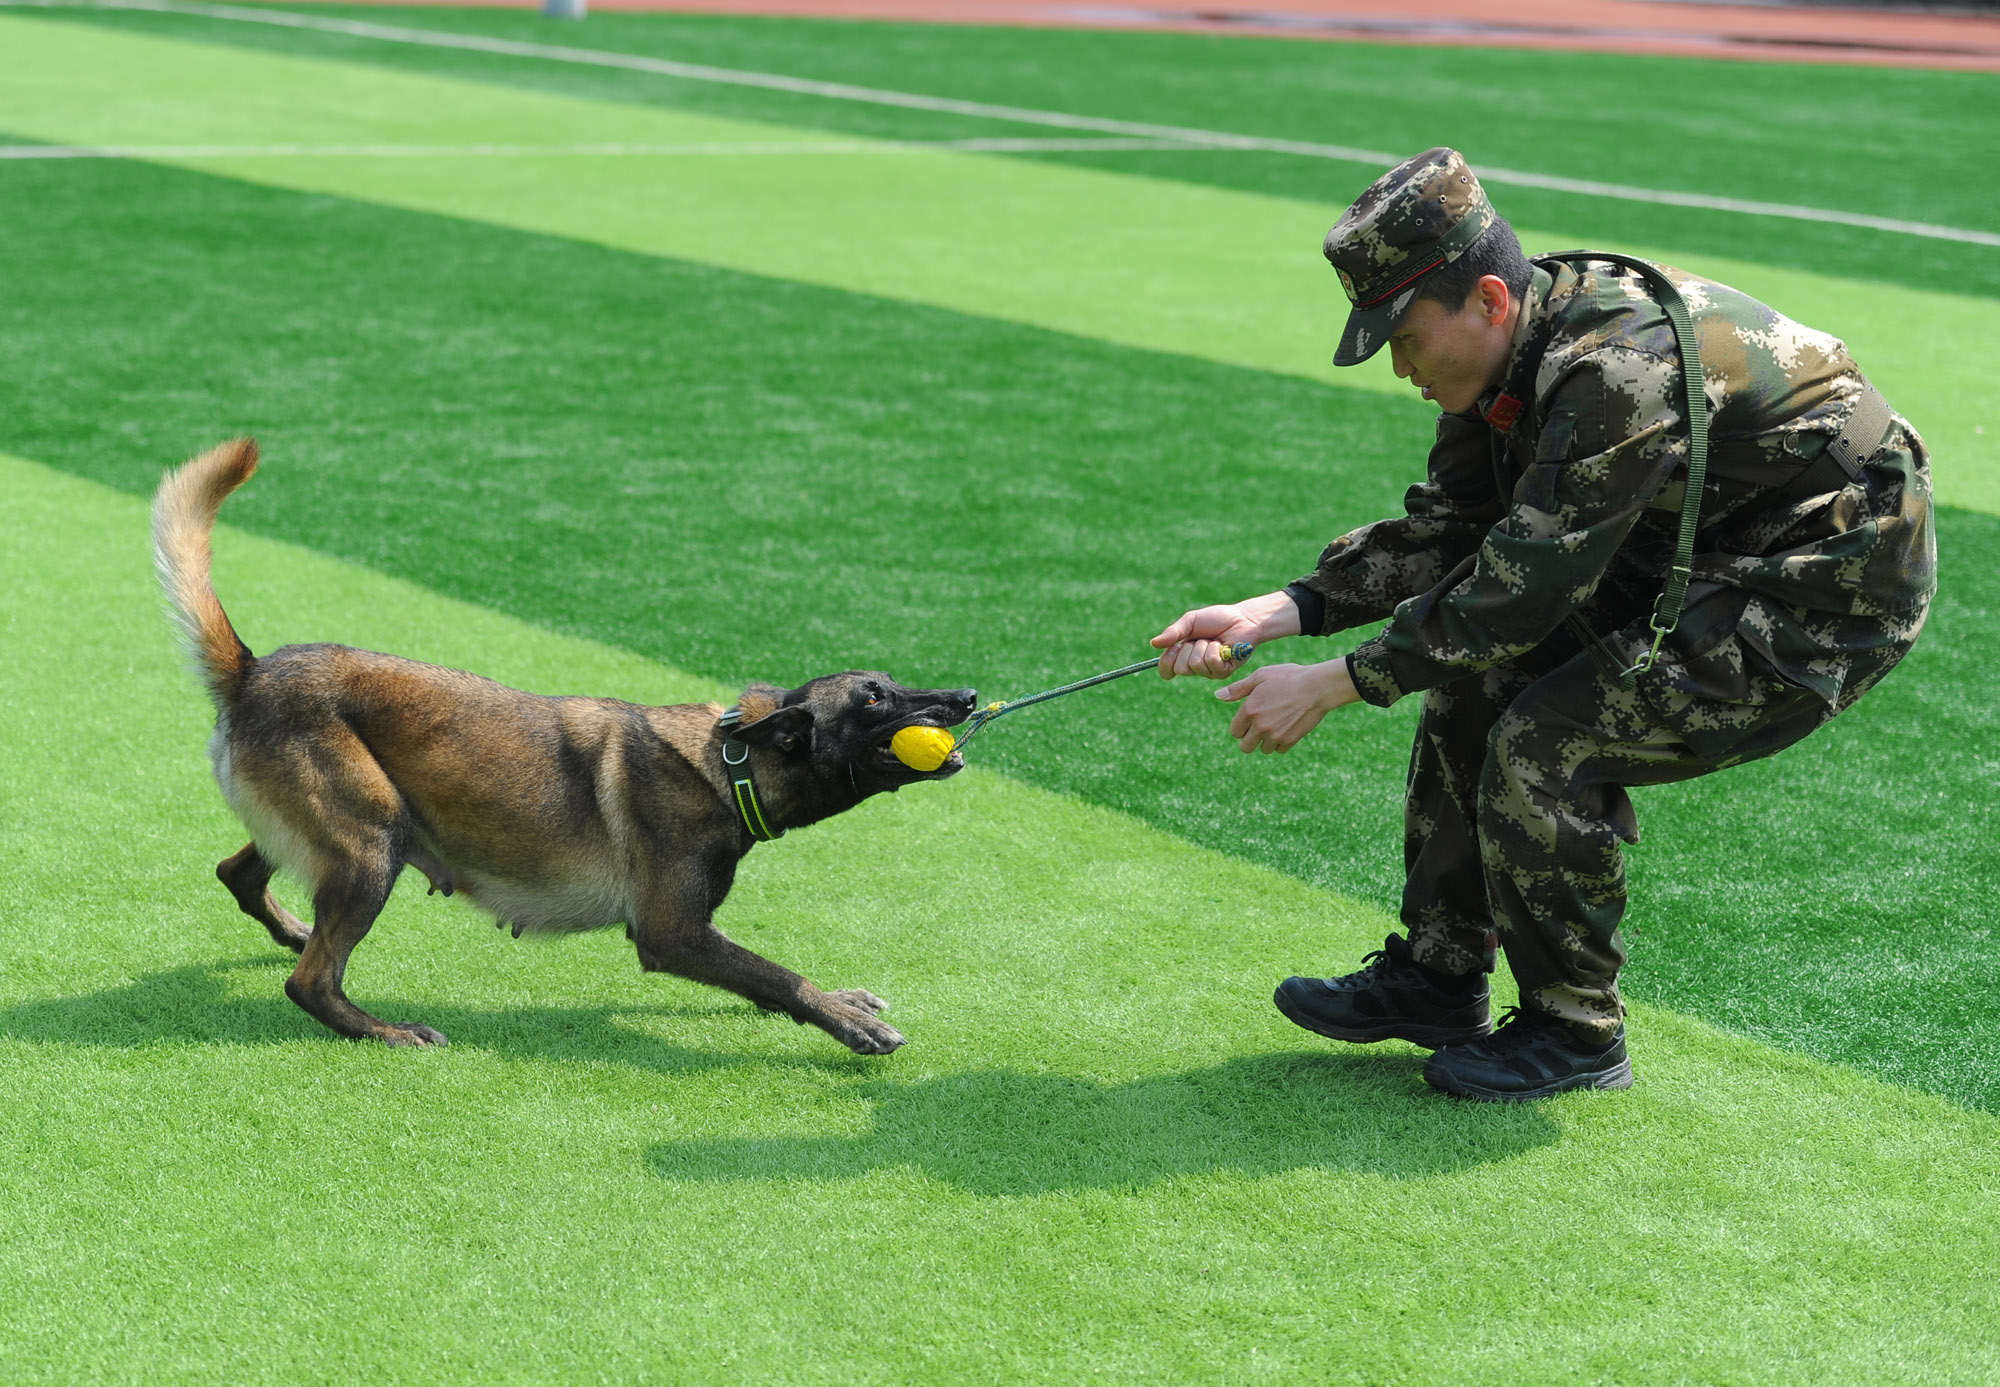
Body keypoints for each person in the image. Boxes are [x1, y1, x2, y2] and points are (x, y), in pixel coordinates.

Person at [1152, 147, 1935, 1100]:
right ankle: (1441, 974)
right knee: (1474, 678)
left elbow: (1520, 588)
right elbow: (1454, 531)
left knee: (1548, 739)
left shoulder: (1615, 370)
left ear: (1486, 299)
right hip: (1693, 543)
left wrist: (1335, 681)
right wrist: (1279, 612)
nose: (1397, 365)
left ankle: (1575, 1031)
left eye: (1403, 335)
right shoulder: (1506, 360)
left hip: (1828, 579)